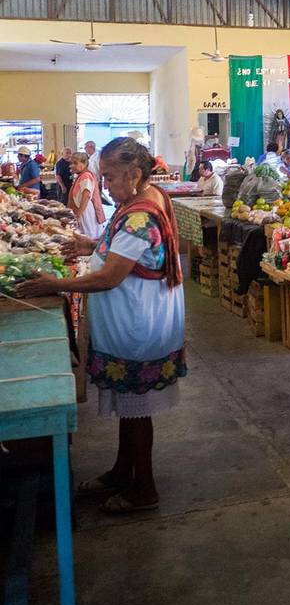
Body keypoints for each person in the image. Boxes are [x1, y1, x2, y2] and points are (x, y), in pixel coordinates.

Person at [17, 137, 186, 514]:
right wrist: (90, 245)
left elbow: (109, 277)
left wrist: (55, 284)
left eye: (109, 177)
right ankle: (122, 471)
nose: (104, 185)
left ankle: (144, 488)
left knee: (137, 409)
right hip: (140, 314)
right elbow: (123, 248)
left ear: (135, 173)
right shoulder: (146, 197)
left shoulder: (141, 214)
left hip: (138, 322)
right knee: (130, 407)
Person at [68, 151, 106, 238]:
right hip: (83, 210)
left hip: (85, 211)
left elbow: (86, 196)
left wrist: (78, 215)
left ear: (84, 163)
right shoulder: (82, 175)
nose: (72, 166)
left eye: (75, 163)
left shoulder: (86, 176)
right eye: (71, 163)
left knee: (87, 235)